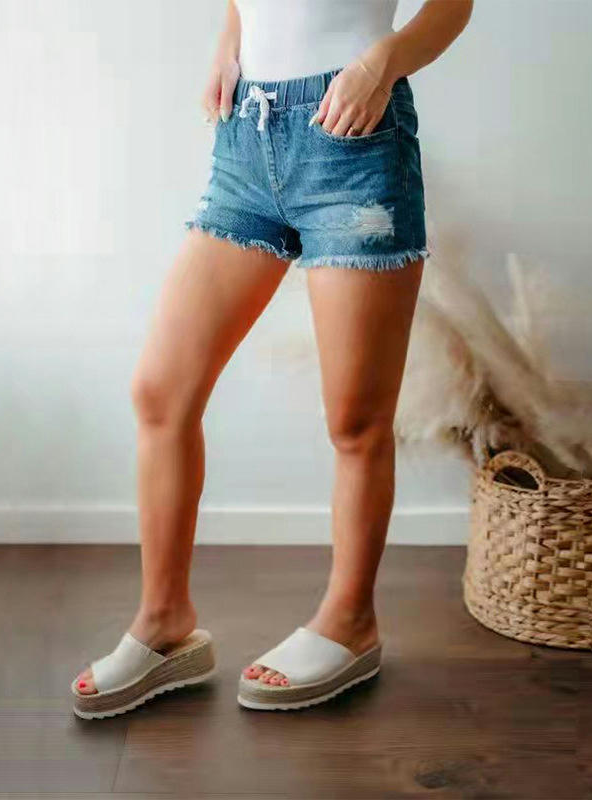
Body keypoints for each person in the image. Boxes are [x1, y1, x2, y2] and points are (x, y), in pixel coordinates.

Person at [71, 0, 473, 719]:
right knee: (161, 392)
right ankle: (165, 622)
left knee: (355, 421)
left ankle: (350, 621)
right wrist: (229, 43)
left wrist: (382, 63)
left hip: (353, 140)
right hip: (245, 142)